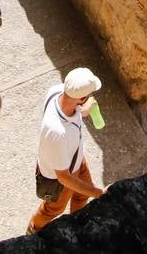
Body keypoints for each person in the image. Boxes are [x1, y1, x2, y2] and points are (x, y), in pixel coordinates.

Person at [27, 67, 105, 235]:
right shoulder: (57, 133)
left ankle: (76, 227)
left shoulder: (56, 91)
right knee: (52, 210)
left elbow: (74, 110)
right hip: (61, 178)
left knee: (82, 196)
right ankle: (33, 230)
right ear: (82, 97)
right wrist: (100, 193)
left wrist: (83, 110)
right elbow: (63, 177)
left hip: (76, 160)